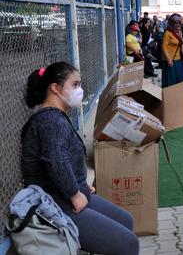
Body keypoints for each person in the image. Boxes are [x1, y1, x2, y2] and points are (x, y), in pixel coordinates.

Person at [22, 62, 139, 254]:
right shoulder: (50, 121)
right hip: (57, 206)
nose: (80, 90)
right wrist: (75, 195)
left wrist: (81, 184)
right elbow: (56, 161)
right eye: (75, 85)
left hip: (69, 195)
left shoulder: (54, 116)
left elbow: (64, 158)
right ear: (55, 88)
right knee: (129, 244)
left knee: (127, 220)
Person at [161, 13, 183, 88]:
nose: (177, 25)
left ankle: (176, 95)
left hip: (177, 59)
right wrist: (169, 60)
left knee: (177, 79)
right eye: (175, 23)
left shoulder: (179, 32)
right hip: (169, 60)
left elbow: (181, 44)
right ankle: (169, 96)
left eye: (179, 23)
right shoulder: (168, 33)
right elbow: (164, 47)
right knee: (170, 81)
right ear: (171, 24)